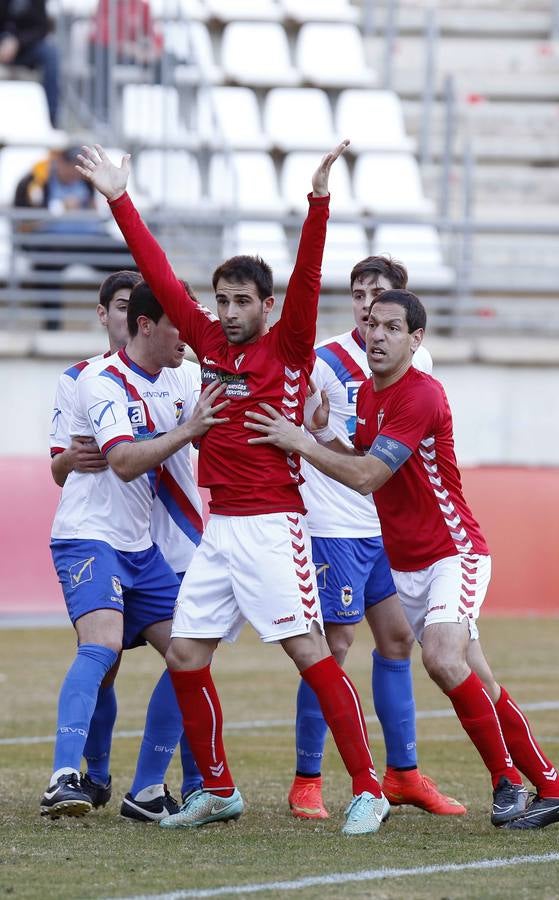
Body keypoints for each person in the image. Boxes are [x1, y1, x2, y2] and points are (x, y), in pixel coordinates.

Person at [77, 140, 390, 836]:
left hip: (275, 526)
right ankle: (218, 789)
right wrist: (119, 198)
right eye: (220, 300)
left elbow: (309, 274)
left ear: (267, 306)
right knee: (187, 656)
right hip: (220, 532)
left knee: (310, 654)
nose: (225, 311)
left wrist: (317, 200)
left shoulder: (287, 345)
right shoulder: (208, 345)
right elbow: (156, 270)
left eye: (240, 301)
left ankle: (368, 788)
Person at [245, 288, 559, 831]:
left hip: (454, 553)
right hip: (409, 566)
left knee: (442, 659)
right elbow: (364, 462)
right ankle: (553, 787)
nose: (378, 335)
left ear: (415, 338)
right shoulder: (370, 398)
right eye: (373, 323)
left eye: (393, 327)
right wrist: (324, 431)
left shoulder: (420, 394)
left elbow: (368, 477)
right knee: (480, 681)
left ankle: (507, 783)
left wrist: (299, 442)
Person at [41, 280, 229, 819]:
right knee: (101, 650)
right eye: (179, 323)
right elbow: (122, 463)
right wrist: (191, 428)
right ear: (143, 324)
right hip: (89, 535)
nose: (188, 335)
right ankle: (65, 776)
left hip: (142, 543)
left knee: (189, 654)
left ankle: (146, 790)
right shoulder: (97, 381)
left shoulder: (185, 373)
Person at [289, 255, 465, 821]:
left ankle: (404, 775)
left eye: (379, 293)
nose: (368, 303)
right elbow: (295, 426)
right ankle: (307, 780)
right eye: (360, 292)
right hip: (334, 527)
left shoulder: (419, 362)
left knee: (395, 642)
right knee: (333, 647)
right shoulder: (323, 360)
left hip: (383, 527)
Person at [14, 147, 129, 330]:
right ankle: (53, 325)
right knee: (46, 263)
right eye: (70, 167)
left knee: (128, 256)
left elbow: (98, 214)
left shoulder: (86, 180)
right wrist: (58, 209)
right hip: (51, 242)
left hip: (88, 239)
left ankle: (127, 320)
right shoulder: (35, 180)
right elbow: (22, 223)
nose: (73, 173)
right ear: (59, 161)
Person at [88, 0, 164, 124]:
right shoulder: (106, 4)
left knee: (162, 61)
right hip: (108, 52)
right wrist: (129, 48)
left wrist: (151, 52)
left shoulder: (142, 6)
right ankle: (102, 115)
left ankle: (157, 114)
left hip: (133, 54)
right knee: (104, 55)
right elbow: (104, 37)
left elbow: (155, 36)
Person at [0, 0, 60, 126]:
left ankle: (51, 119)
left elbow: (41, 28)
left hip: (26, 48)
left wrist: (18, 42)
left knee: (51, 53)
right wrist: (5, 41)